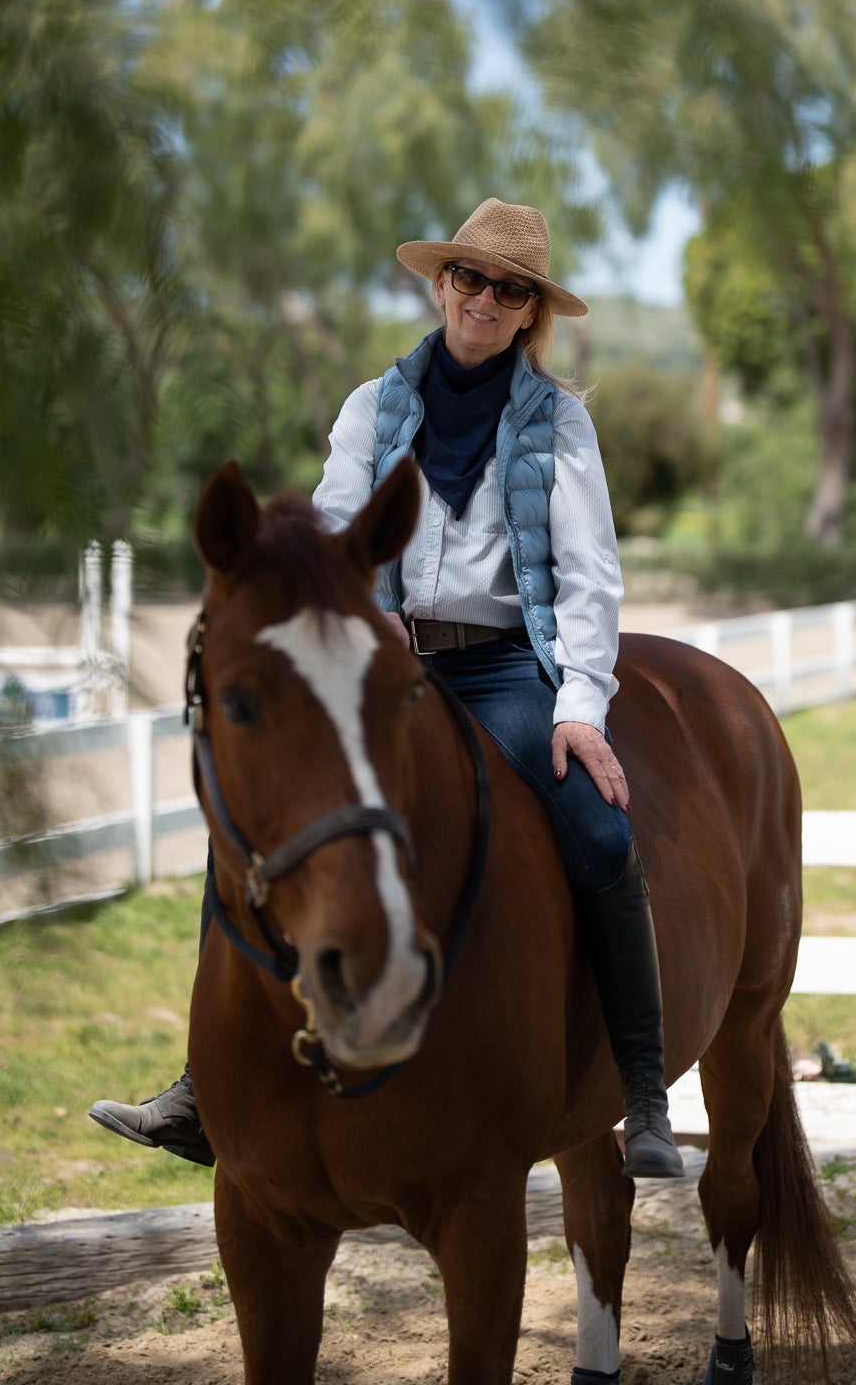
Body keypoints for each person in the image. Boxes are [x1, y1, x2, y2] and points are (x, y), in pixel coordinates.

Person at [91, 198, 683, 1179]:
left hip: (502, 665)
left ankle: (646, 1085)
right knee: (259, 817)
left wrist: (580, 705)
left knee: (602, 832)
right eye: (471, 277)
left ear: (532, 309)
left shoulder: (560, 424)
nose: (485, 298)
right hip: (394, 660)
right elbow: (333, 537)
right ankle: (205, 1082)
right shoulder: (374, 406)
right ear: (440, 281)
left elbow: (591, 577)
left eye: (511, 287)